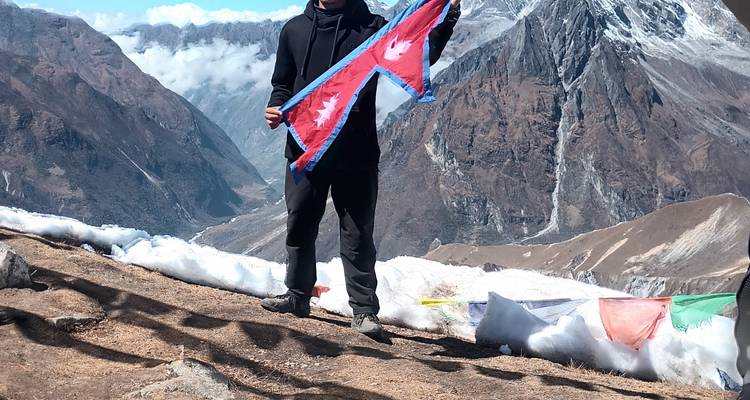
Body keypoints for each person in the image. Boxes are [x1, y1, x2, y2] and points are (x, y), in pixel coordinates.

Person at [261, 0, 461, 339]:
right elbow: (282, 82)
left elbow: (419, 51)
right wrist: (276, 106)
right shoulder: (294, 30)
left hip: (357, 152)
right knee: (299, 224)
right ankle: (297, 296)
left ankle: (365, 312)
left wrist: (448, 14)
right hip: (307, 146)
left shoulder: (373, 29)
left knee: (357, 235)